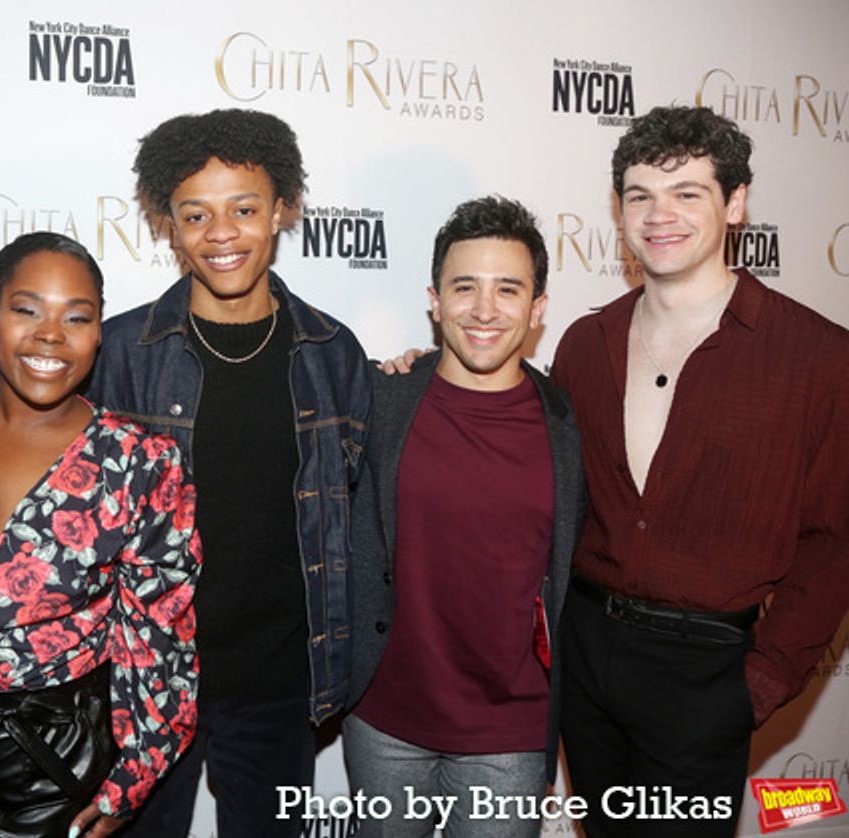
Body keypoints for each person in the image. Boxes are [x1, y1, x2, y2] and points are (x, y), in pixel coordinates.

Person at [551, 105, 849, 836]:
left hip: (707, 672)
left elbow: (836, 539)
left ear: (736, 203)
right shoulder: (585, 345)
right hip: (583, 656)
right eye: (640, 195)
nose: (661, 215)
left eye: (688, 193)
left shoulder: (817, 358)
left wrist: (762, 680)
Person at [87, 108, 371, 837]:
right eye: (196, 214)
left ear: (283, 210)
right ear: (168, 223)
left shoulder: (334, 353)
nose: (221, 234)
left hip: (280, 687)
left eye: (244, 209)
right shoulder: (121, 351)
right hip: (147, 682)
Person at [0, 231, 201, 838]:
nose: (50, 334)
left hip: (46, 752)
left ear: (98, 331)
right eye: (26, 309)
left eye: (76, 317)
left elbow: (159, 638)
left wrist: (133, 776)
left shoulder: (138, 463)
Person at [345, 196, 586, 837]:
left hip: (511, 732)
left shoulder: (569, 426)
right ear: (434, 299)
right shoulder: (380, 401)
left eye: (508, 289)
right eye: (465, 287)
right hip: (383, 722)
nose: (484, 310)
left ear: (537, 309)